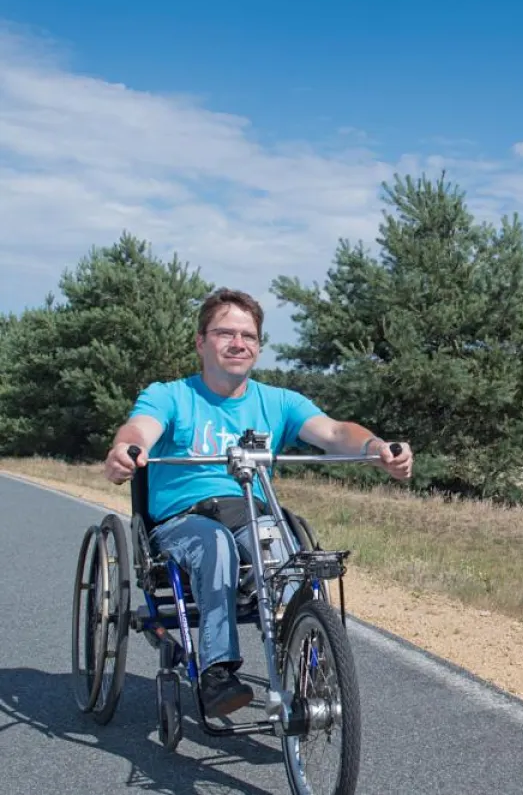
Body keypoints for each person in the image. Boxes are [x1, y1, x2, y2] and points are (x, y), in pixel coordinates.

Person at [103, 288, 414, 718]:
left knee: (290, 558)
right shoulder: (170, 395)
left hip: (250, 511)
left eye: (248, 336)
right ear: (200, 342)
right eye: (225, 333)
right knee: (216, 547)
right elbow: (139, 430)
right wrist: (127, 450)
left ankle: (308, 663)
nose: (238, 343)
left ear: (259, 346)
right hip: (185, 520)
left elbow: (336, 432)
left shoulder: (279, 401)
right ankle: (216, 673)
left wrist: (377, 447)